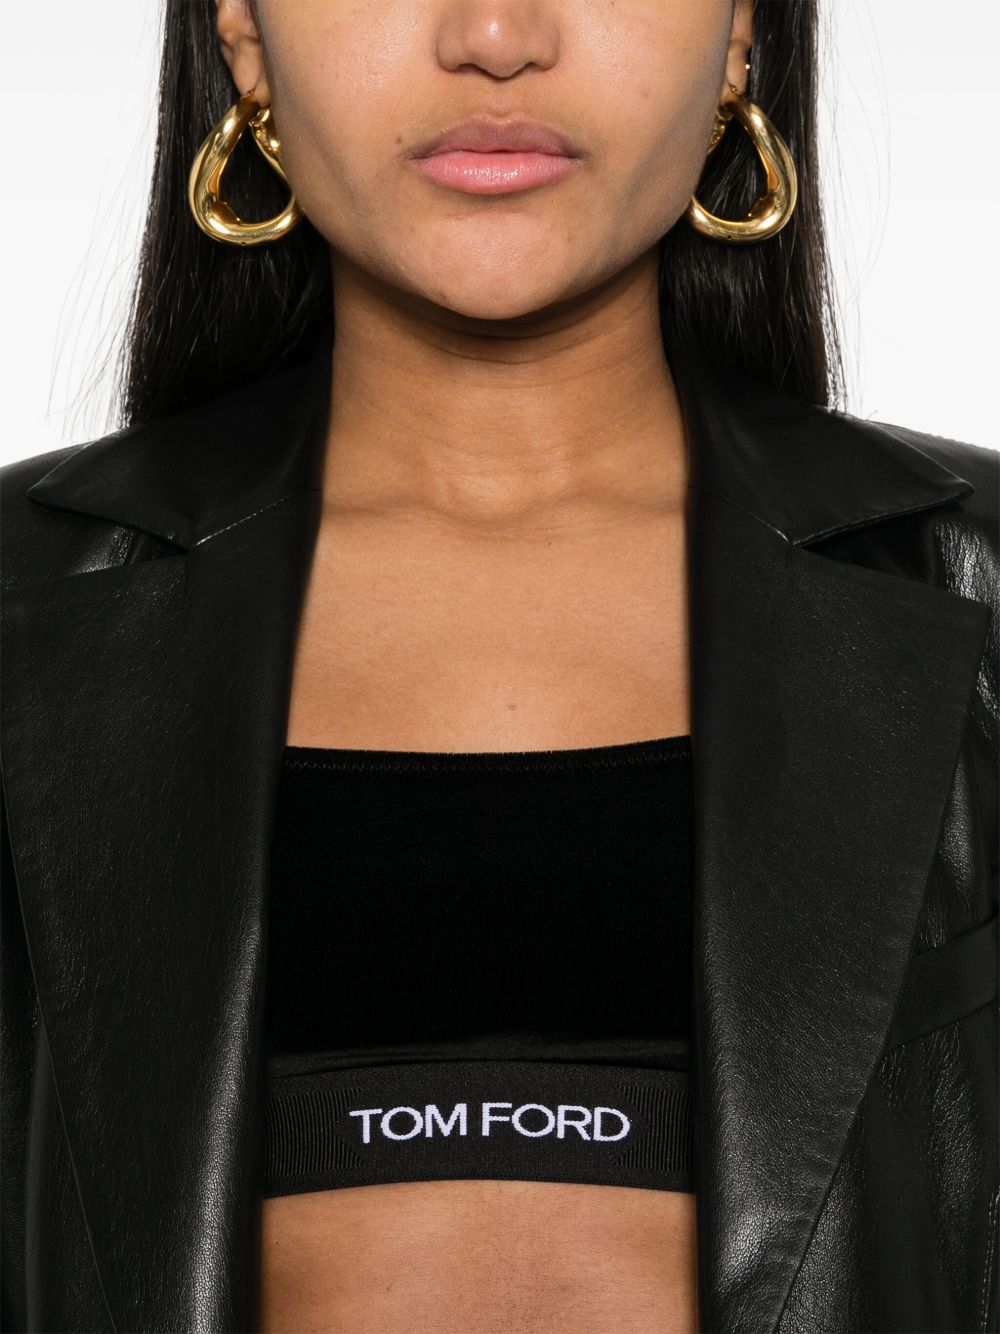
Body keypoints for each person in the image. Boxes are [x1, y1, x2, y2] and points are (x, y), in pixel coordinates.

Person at [2, 1, 997, 1331]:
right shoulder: (21, 610)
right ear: (241, 30)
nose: (492, 35)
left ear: (741, 29)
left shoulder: (976, 598)